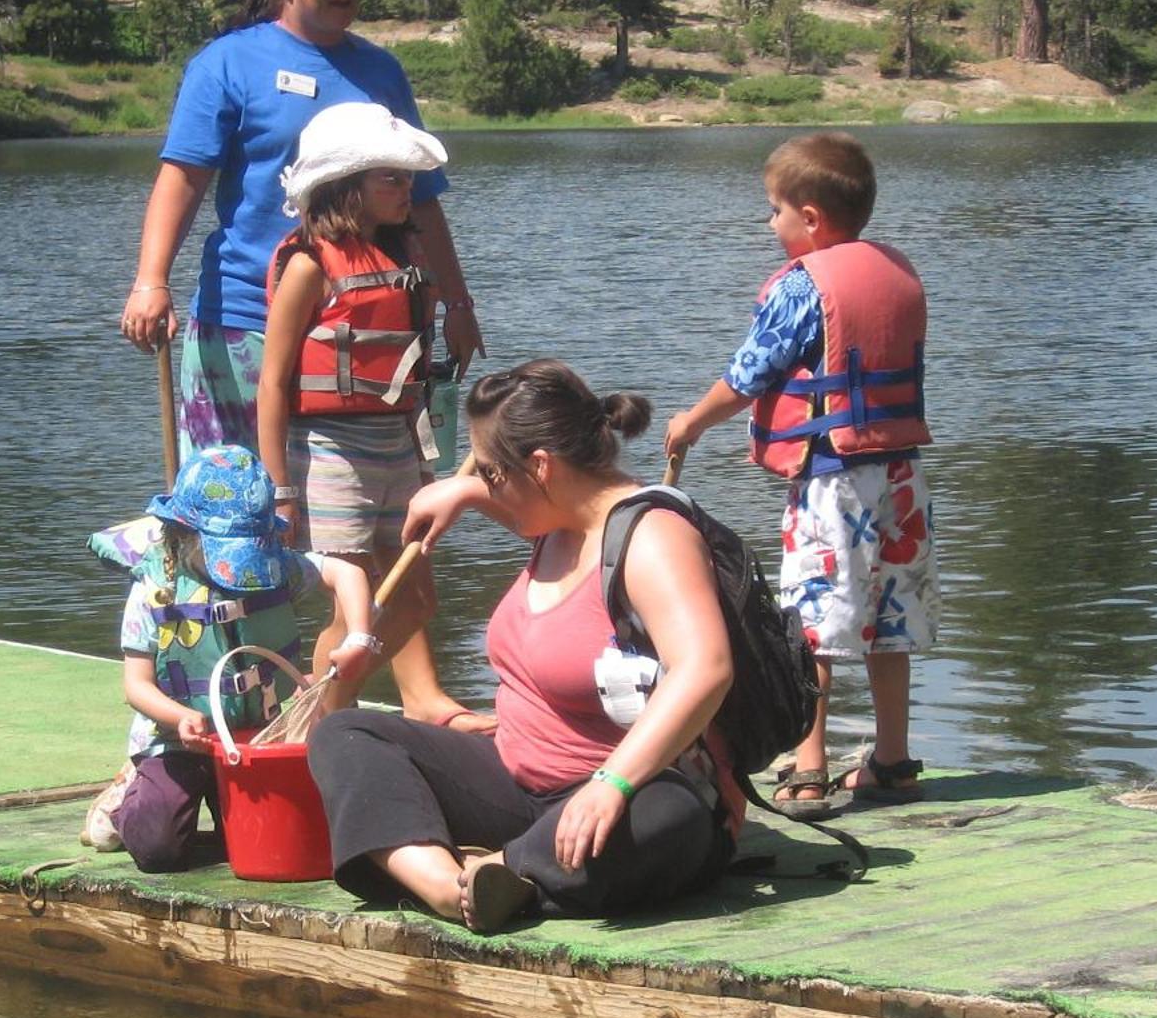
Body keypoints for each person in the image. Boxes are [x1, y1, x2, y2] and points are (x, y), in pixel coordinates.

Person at [306, 360, 736, 934]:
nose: (487, 487)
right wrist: (461, 491)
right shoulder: (555, 521)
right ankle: (449, 887)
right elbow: (523, 501)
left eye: (490, 473)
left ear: (540, 467)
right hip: (516, 783)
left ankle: (505, 869)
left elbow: (705, 668)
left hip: (625, 791)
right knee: (345, 734)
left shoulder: (653, 538)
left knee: (672, 818)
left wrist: (613, 783)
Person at [118, 0, 483, 455]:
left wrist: (457, 305)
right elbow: (183, 179)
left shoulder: (380, 72)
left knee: (339, 523)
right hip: (244, 323)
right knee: (231, 511)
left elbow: (423, 201)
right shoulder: (227, 64)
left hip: (359, 330)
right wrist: (151, 282)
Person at [664, 132, 938, 813]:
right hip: (900, 476)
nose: (770, 224)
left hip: (832, 478)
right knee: (888, 620)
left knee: (811, 626)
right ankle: (894, 759)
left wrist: (691, 422)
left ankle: (808, 763)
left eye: (775, 211)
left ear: (810, 217)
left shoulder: (802, 286)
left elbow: (749, 376)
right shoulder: (896, 268)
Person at [258, 100, 460, 721]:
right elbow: (271, 386)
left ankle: (318, 707)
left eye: (408, 177)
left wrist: (428, 464)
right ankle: (314, 727)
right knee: (352, 609)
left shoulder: (407, 257)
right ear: (344, 186)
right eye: (391, 178)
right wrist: (282, 491)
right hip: (329, 451)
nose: (408, 190)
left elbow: (416, 371)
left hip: (400, 443)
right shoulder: (308, 265)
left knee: (416, 597)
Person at [85, 444, 377, 872]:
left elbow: (346, 572)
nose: (240, 567)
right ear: (184, 533)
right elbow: (136, 686)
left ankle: (221, 816)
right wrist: (178, 716)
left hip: (259, 737)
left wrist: (359, 637)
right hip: (178, 739)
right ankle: (124, 799)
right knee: (158, 847)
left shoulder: (273, 567)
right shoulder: (155, 585)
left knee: (285, 837)